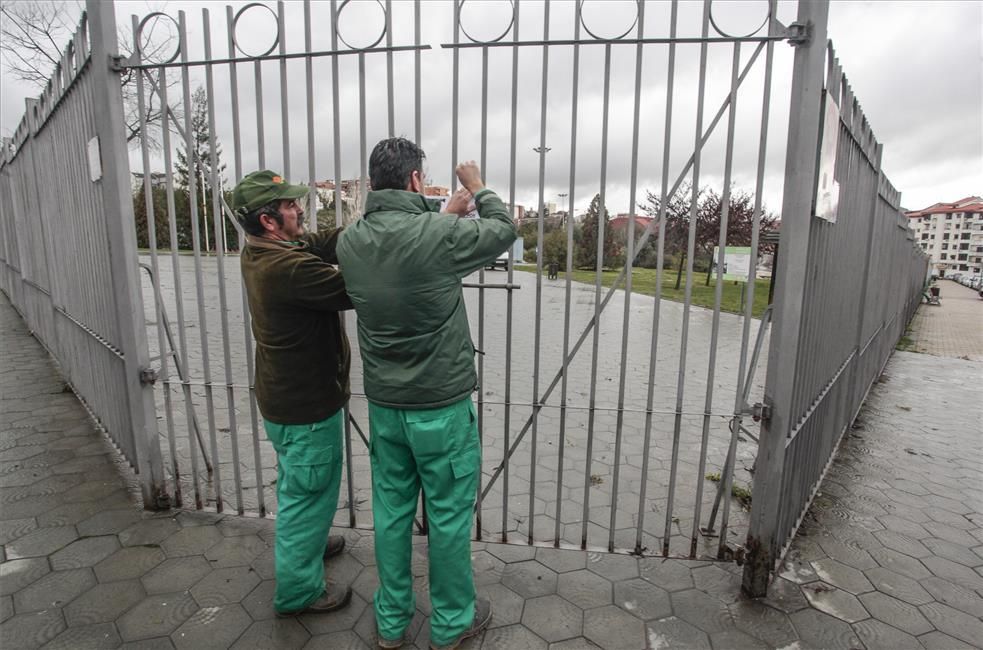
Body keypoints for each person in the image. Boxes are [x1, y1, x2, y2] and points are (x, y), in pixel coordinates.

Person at [336, 137, 517, 650]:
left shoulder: (351, 241)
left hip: (387, 409)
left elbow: (404, 249)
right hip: (441, 407)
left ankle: (391, 623)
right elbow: (503, 230)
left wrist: (444, 213)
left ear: (374, 182)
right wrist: (476, 187)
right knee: (448, 517)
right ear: (417, 179)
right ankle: (452, 621)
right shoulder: (439, 237)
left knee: (391, 515)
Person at [231, 170, 354, 617]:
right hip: (306, 407)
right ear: (268, 219)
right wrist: (388, 247)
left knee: (300, 482)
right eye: (290, 205)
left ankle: (311, 542)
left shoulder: (263, 251)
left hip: (282, 399)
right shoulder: (289, 268)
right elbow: (357, 289)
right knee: (307, 492)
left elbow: (318, 241)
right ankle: (299, 591)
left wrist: (370, 225)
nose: (300, 208)